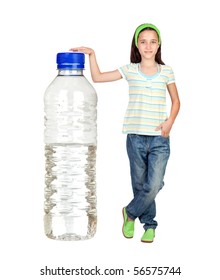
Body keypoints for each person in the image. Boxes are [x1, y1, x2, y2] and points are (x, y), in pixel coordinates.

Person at [70, 23, 180, 243]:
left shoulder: (167, 71)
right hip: (135, 137)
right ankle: (149, 226)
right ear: (137, 45)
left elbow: (176, 101)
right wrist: (92, 54)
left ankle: (129, 212)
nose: (148, 46)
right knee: (141, 185)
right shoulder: (129, 69)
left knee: (155, 183)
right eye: (143, 41)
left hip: (160, 138)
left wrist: (170, 123)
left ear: (158, 45)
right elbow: (98, 78)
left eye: (152, 41)